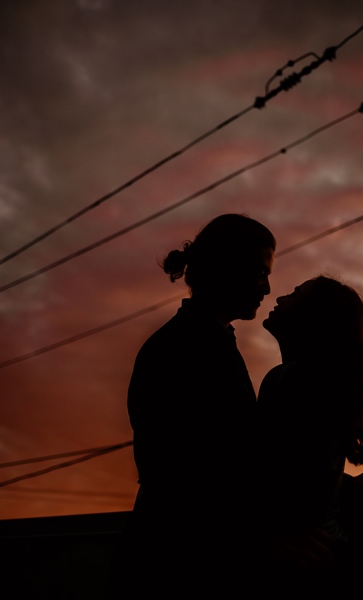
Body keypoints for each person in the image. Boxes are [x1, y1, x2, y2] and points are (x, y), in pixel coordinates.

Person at [108, 214, 275, 597]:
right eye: (260, 271)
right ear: (227, 267)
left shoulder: (199, 340)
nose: (267, 287)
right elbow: (204, 473)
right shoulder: (191, 347)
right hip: (179, 565)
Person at [256, 276, 363, 592]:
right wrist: (345, 486)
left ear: (312, 319)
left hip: (298, 566)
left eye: (294, 293)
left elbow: (266, 477)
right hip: (330, 555)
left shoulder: (288, 382)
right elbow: (300, 473)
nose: (279, 297)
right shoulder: (322, 385)